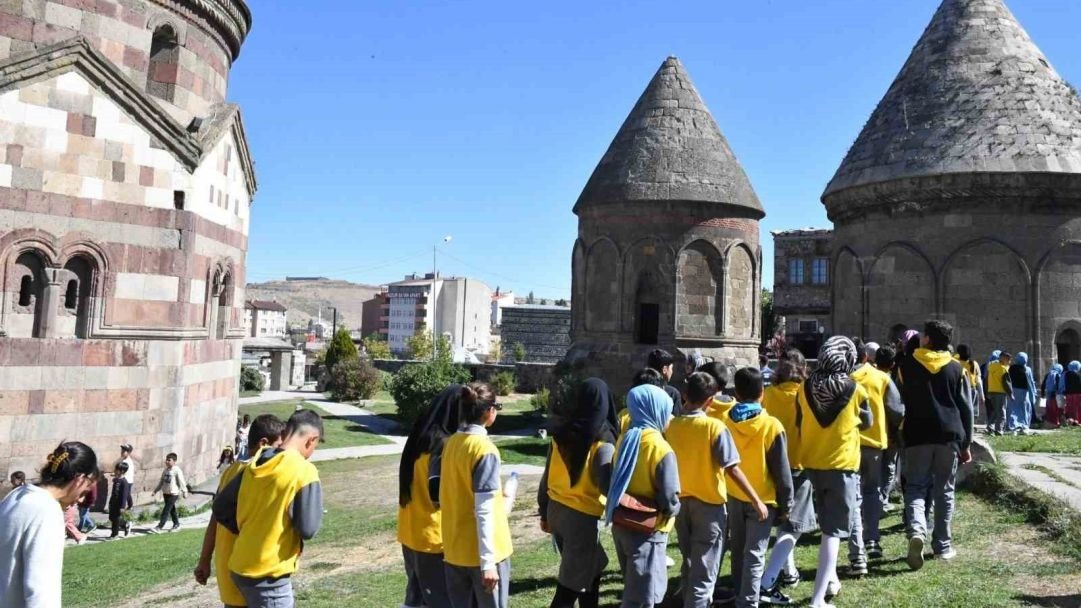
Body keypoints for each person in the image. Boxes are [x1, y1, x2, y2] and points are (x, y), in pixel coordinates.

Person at [667, 373, 762, 608]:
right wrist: (756, 499)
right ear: (710, 401)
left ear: (685, 395)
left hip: (680, 504)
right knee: (705, 574)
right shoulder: (714, 426)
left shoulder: (670, 426)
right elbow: (732, 468)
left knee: (690, 562)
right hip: (709, 506)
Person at [213, 409, 324, 608]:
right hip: (268, 573)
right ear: (311, 440)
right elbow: (308, 529)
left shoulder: (257, 461)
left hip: (239, 565)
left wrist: (252, 530)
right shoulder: (304, 471)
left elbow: (221, 508)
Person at [794, 336, 872, 608]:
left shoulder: (803, 388)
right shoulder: (856, 388)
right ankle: (817, 600)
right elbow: (868, 422)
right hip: (841, 465)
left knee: (827, 525)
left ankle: (831, 580)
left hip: (811, 462)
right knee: (833, 531)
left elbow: (799, 421)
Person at [899, 320, 974, 570]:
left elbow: (898, 402)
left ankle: (917, 531)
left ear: (929, 339)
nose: (919, 337)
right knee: (945, 490)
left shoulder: (906, 365)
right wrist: (966, 443)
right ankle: (942, 545)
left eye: (923, 334)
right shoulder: (956, 368)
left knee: (916, 488)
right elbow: (967, 408)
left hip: (916, 435)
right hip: (949, 436)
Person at [538, 378, 618, 608]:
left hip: (555, 510)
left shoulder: (560, 434)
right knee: (570, 584)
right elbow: (605, 485)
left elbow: (546, 477)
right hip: (580, 518)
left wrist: (544, 512)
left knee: (591, 570)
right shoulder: (603, 442)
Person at [195, 414, 287, 608]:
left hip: (229, 573)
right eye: (279, 446)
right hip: (249, 574)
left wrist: (204, 560)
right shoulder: (257, 475)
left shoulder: (231, 472)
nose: (283, 452)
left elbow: (214, 520)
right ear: (264, 443)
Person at [437, 383, 513, 608]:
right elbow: (484, 509)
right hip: (484, 555)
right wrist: (488, 563)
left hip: (454, 549)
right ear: (488, 411)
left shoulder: (450, 444)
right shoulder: (484, 450)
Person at [605, 384, 679, 608]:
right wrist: (675, 509)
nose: (670, 416)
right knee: (644, 597)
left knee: (633, 586)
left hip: (623, 522)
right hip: (648, 530)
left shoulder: (626, 438)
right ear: (655, 410)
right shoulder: (660, 448)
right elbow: (670, 497)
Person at [0, 442, 98, 608]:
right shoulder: (47, 510)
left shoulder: (16, 495)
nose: (80, 500)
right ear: (80, 480)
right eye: (84, 492)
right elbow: (41, 591)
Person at [725, 368, 793, 608]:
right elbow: (782, 470)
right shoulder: (771, 425)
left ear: (736, 393)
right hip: (762, 500)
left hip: (734, 494)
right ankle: (748, 601)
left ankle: (739, 593)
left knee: (738, 549)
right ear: (762, 393)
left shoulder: (726, 421)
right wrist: (787, 504)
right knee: (755, 554)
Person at [395, 386, 463, 608]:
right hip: (433, 536)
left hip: (410, 531)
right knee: (439, 599)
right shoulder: (443, 446)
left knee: (415, 595)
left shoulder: (419, 438)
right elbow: (439, 494)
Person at [760, 350, 815, 603]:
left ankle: (789, 571)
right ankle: (769, 578)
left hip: (770, 465)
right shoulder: (806, 395)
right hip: (799, 463)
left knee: (784, 520)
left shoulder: (767, 394)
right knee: (795, 525)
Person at [848, 341, 904, 572]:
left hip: (850, 442)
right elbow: (897, 410)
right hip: (875, 443)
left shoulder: (849, 377)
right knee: (871, 490)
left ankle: (855, 542)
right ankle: (871, 538)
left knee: (853, 492)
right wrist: (893, 433)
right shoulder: (882, 378)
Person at [152, 452, 188, 532]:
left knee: (166, 510)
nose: (167, 462)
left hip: (173, 494)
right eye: (166, 460)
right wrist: (155, 490)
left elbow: (181, 481)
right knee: (172, 510)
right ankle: (176, 524)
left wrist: (185, 491)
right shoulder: (165, 470)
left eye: (169, 460)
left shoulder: (177, 470)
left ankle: (159, 526)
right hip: (166, 493)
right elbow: (161, 482)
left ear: (174, 461)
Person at [1006, 352, 1037, 435]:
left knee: (1012, 409)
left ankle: (1013, 427)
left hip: (1013, 391)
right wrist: (1033, 395)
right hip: (1024, 393)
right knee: (1025, 409)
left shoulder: (1010, 368)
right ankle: (1024, 426)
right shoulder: (1027, 369)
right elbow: (1030, 383)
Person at [955, 345, 984, 423]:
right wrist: (982, 395)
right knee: (972, 411)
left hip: (959, 389)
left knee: (960, 409)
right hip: (972, 390)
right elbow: (978, 380)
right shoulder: (974, 364)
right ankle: (971, 425)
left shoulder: (955, 362)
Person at [985, 352, 1011, 435]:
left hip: (991, 391)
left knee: (995, 410)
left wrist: (987, 391)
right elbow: (1006, 383)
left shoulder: (991, 366)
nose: (1009, 361)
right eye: (1008, 359)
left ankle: (990, 426)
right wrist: (1010, 393)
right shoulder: (1004, 369)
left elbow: (986, 379)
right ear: (1003, 358)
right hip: (1000, 392)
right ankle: (999, 430)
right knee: (1002, 412)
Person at [108, 462, 134, 539]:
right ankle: (125, 524)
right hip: (113, 502)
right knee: (111, 517)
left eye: (117, 469)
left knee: (115, 519)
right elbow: (113, 493)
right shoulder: (116, 480)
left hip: (119, 504)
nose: (115, 470)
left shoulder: (124, 482)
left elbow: (125, 495)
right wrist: (110, 502)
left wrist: (123, 506)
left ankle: (115, 534)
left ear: (122, 471)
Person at [1042, 362, 1065, 428]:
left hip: (1047, 394)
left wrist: (1042, 394)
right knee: (1057, 409)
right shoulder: (1058, 375)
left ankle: (1050, 422)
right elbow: (1058, 385)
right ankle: (1057, 422)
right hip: (1055, 395)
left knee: (1049, 409)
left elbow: (1043, 385)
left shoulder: (1047, 374)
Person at [1063, 361, 1081, 426]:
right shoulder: (1077, 375)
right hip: (1077, 394)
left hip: (1068, 394)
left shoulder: (1066, 375)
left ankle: (1070, 420)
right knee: (1077, 408)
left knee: (1070, 407)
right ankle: (1077, 421)